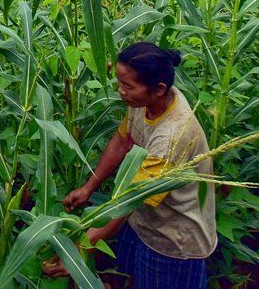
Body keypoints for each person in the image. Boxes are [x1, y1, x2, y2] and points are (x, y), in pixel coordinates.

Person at [43, 41, 217, 288]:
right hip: (143, 220)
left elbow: (130, 200)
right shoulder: (146, 102)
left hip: (173, 241)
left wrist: (78, 251)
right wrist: (88, 187)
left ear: (159, 89)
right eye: (120, 83)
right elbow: (124, 140)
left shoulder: (172, 137)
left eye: (127, 86)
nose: (120, 91)